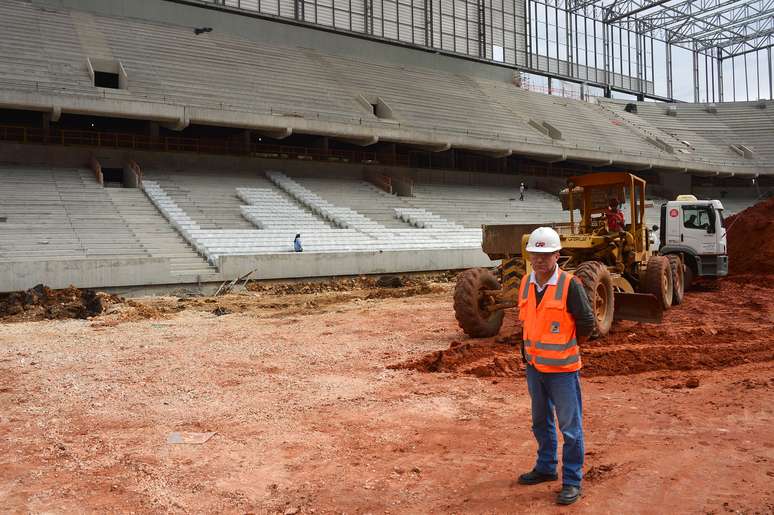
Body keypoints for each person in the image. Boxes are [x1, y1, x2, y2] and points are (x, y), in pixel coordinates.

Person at [516, 227, 596, 506]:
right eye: (535, 254)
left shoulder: (570, 284)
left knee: (571, 429)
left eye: (546, 254)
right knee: (540, 421)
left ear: (557, 255)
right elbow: (526, 323)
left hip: (563, 371)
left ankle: (572, 481)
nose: (540, 260)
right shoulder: (526, 283)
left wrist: (568, 349)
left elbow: (587, 323)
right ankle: (546, 467)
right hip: (534, 367)